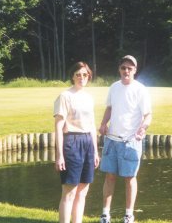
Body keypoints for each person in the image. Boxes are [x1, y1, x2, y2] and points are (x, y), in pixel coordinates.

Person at [99, 55, 152, 223]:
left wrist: (143, 128)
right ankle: (105, 214)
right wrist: (103, 124)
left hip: (131, 141)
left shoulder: (141, 89)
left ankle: (129, 215)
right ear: (119, 69)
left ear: (135, 70)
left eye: (130, 68)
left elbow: (148, 115)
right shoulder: (114, 87)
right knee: (110, 177)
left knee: (130, 178)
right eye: (123, 68)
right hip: (111, 140)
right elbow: (109, 108)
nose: (126, 71)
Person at [54, 61, 100, 223]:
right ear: (72, 76)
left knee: (83, 191)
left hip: (87, 142)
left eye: (85, 75)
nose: (82, 78)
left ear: (89, 76)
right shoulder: (65, 96)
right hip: (71, 142)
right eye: (78, 74)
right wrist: (60, 155)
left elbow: (92, 126)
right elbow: (59, 127)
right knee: (69, 191)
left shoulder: (89, 97)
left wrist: (95, 151)